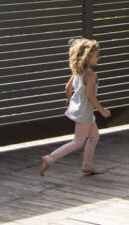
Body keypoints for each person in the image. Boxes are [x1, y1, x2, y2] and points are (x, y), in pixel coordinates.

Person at [39, 38, 111, 177]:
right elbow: (90, 96)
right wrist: (102, 110)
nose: (99, 57)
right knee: (78, 142)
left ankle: (87, 166)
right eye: (97, 55)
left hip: (82, 111)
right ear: (88, 57)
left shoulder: (78, 71)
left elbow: (68, 87)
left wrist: (68, 100)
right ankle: (49, 158)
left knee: (94, 136)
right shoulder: (91, 75)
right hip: (84, 112)